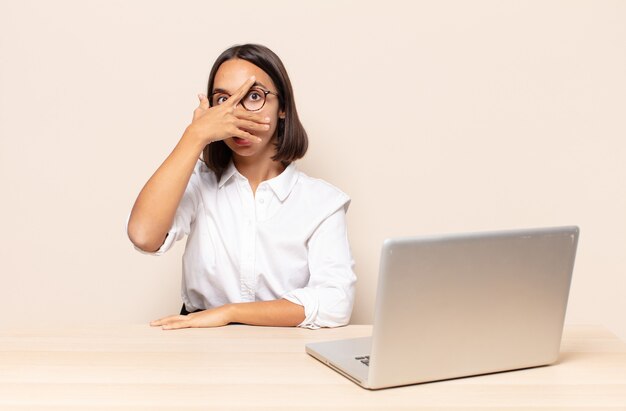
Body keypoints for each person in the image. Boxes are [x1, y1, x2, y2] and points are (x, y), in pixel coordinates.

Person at [125, 44, 356, 330]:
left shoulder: (321, 201)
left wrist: (230, 313)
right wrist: (194, 136)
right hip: (201, 347)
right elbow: (143, 235)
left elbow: (335, 302)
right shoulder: (198, 183)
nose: (237, 113)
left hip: (284, 348)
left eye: (255, 96)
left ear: (282, 107)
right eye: (223, 100)